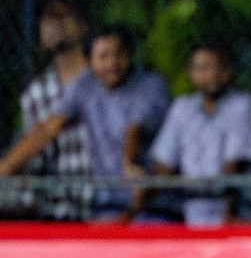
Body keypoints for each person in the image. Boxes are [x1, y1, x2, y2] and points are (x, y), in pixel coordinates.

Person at [0, 27, 169, 220]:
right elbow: (48, 128)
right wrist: (5, 168)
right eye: (103, 56)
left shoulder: (151, 84)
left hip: (155, 206)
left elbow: (133, 131)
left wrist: (128, 164)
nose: (112, 62)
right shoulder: (85, 84)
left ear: (129, 54)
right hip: (108, 204)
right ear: (89, 62)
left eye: (119, 54)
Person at [134, 44, 251, 226]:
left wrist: (227, 218)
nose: (211, 74)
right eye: (202, 68)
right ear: (191, 73)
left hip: (237, 208)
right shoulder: (182, 107)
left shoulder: (244, 105)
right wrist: (131, 211)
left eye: (218, 68)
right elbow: (163, 164)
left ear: (227, 72)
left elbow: (236, 165)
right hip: (191, 207)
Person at [16, 0, 93, 220]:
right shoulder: (34, 95)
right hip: (55, 211)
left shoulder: (102, 82)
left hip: (102, 205)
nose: (54, 24)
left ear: (82, 25)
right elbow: (34, 162)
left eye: (62, 15)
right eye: (47, 18)